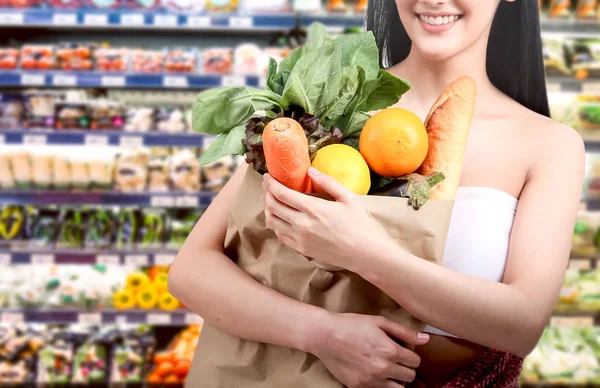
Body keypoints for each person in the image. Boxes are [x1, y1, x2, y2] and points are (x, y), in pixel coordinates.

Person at [169, 0, 585, 387]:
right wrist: (322, 335)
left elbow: (522, 325)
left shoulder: (549, 145)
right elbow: (191, 270)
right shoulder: (333, 103)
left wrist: (361, 251)